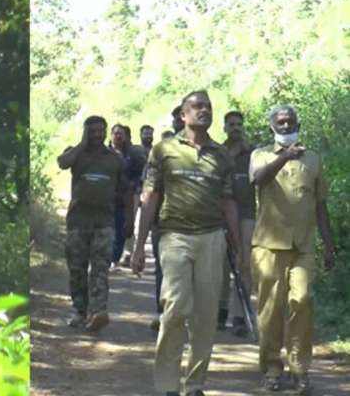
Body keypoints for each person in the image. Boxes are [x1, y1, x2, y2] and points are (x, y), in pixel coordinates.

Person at [131, 91, 242, 396]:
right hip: (174, 236)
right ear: (183, 114)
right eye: (197, 107)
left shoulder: (221, 155)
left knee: (205, 316)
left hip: (211, 238)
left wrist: (237, 244)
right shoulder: (163, 150)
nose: (204, 111)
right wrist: (140, 245)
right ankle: (168, 385)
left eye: (208, 107)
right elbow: (150, 196)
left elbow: (228, 200)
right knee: (177, 307)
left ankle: (195, 386)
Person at [249, 105, 335, 394]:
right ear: (272, 126)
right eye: (280, 122)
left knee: (302, 301)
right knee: (270, 310)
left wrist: (329, 245)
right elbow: (257, 179)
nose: (286, 126)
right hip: (268, 246)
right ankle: (272, 368)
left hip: (303, 245)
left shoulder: (313, 159)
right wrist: (284, 157)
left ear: (298, 123)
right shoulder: (261, 155)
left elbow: (320, 205)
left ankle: (300, 368)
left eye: (290, 122)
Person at [57, 115, 126, 331]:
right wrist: (82, 144)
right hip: (78, 221)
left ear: (106, 132)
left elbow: (125, 191)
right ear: (85, 132)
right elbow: (62, 163)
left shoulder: (115, 159)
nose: (97, 135)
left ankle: (98, 312)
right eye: (92, 131)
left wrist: (130, 220)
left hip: (104, 222)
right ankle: (80, 310)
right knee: (77, 268)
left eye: (100, 131)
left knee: (100, 268)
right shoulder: (76, 153)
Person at [217, 111, 257, 337]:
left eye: (239, 124)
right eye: (231, 124)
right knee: (221, 266)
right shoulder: (218, 152)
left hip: (248, 214)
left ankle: (240, 316)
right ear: (224, 127)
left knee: (244, 264)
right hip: (220, 216)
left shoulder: (252, 153)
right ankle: (221, 311)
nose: (236, 128)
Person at [149, 113, 182, 332]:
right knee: (163, 269)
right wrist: (149, 223)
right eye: (177, 119)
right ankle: (163, 314)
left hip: (196, 225)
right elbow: (151, 190)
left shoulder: (208, 151)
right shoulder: (161, 152)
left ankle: (182, 316)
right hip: (164, 222)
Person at [109, 124, 141, 268]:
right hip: (107, 198)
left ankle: (118, 257)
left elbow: (139, 173)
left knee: (124, 226)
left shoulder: (132, 154)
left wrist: (133, 186)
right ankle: (108, 258)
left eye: (121, 133)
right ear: (111, 135)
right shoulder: (105, 153)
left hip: (127, 196)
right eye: (115, 133)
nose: (118, 136)